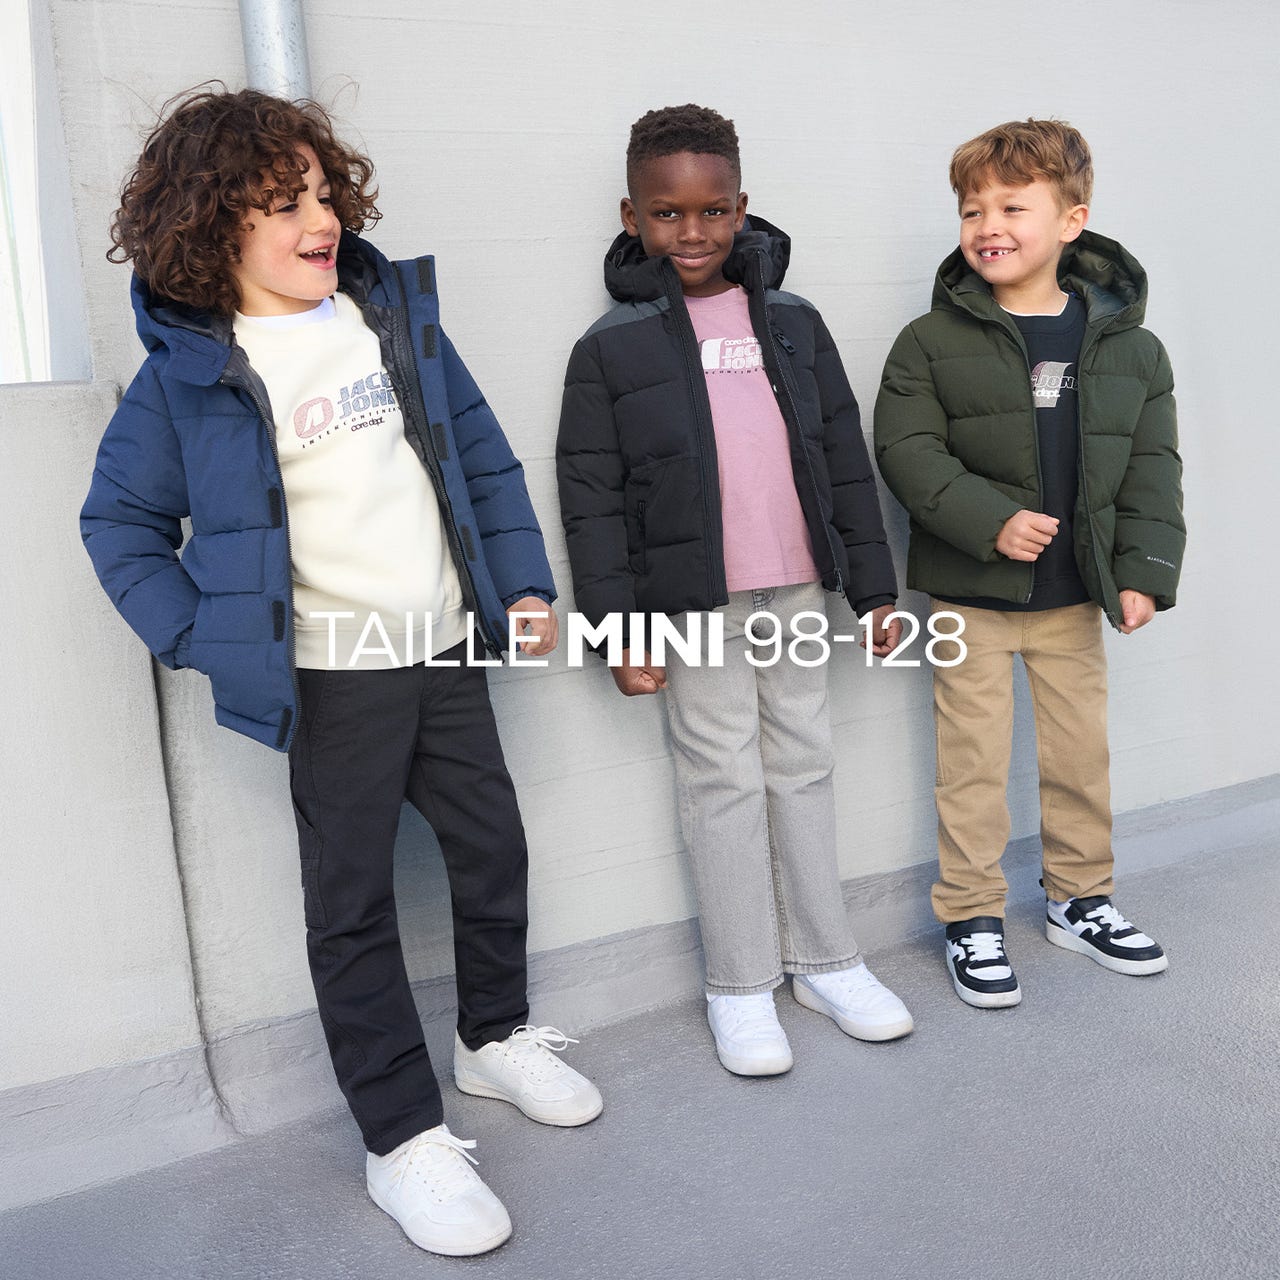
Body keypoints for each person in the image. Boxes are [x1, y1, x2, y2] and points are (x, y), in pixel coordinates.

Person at [80, 86, 601, 1258]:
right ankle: (400, 1135)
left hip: (442, 649)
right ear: (212, 227)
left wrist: (521, 585)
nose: (319, 219)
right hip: (332, 679)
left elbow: (480, 455)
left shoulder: (388, 321)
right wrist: (205, 635)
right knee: (353, 905)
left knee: (492, 849)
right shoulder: (186, 379)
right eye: (283, 203)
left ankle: (493, 1034)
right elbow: (119, 525)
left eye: (322, 194)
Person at [556, 104, 913, 1078]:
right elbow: (592, 501)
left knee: (804, 764)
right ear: (632, 215)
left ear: (741, 208)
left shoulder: (792, 322)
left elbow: (842, 456)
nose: (692, 231)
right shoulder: (610, 346)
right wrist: (618, 630)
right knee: (722, 782)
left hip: (794, 590)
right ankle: (740, 983)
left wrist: (874, 591)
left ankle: (827, 962)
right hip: (692, 604)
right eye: (667, 213)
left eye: (712, 211)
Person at [874, 118, 1184, 1009]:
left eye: (1013, 207)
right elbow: (906, 449)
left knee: (1079, 756)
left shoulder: (1131, 348)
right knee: (970, 764)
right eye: (973, 210)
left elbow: (1152, 466)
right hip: (971, 597)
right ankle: (972, 915)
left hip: (1074, 597)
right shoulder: (928, 341)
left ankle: (1079, 900)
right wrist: (992, 522)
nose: (988, 226)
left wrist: (1144, 570)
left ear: (1071, 221)